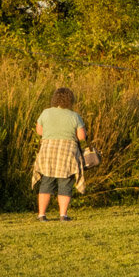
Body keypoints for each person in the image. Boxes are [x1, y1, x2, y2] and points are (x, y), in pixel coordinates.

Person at [33, 87, 88, 222]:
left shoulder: (46, 113)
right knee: (65, 182)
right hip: (67, 152)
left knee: (46, 182)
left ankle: (42, 215)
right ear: (70, 100)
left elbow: (39, 131)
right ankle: (63, 215)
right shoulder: (75, 116)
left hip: (48, 150)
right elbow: (81, 137)